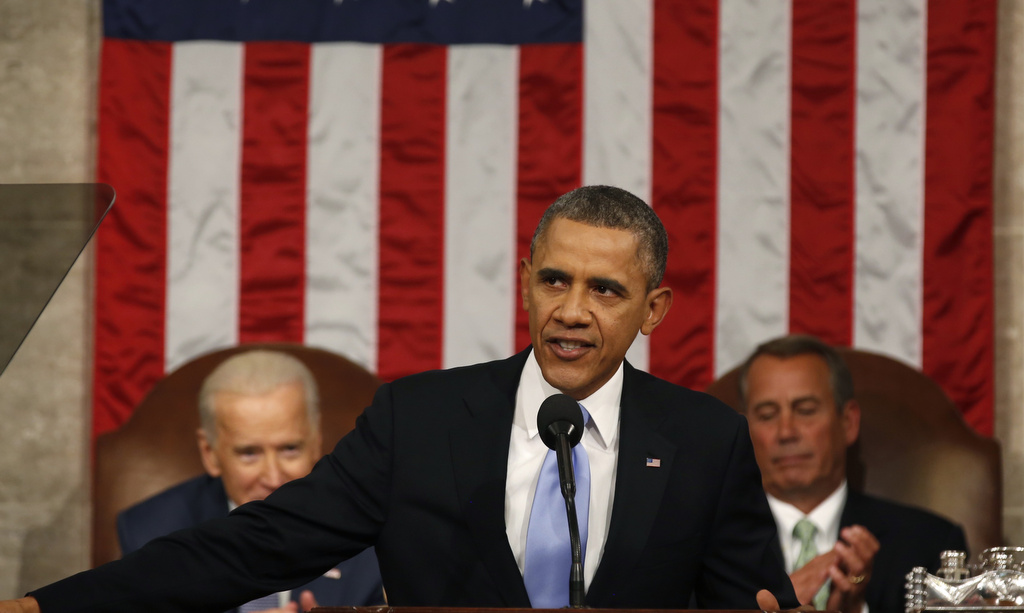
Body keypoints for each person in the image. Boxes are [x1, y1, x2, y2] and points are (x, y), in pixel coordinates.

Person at [5, 185, 798, 612]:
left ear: (652, 310)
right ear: (526, 278)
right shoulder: (415, 420)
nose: (571, 309)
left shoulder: (705, 439)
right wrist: (48, 609)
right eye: (554, 278)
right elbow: (248, 546)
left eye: (606, 289)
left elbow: (753, 604)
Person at [116, 349, 385, 613]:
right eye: (249, 453)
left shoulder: (372, 535)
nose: (273, 477)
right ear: (209, 453)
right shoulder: (152, 532)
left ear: (316, 442)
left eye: (289, 449)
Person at [739, 334, 968, 613]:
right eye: (766, 415)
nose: (786, 432)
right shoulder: (702, 545)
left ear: (848, 422)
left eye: (806, 410)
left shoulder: (930, 544)